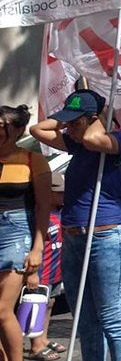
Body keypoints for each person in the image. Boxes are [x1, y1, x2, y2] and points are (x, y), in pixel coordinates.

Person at [30, 89, 121, 361]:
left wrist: (94, 119)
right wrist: (66, 119)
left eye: (75, 122)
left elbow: (92, 137)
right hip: (75, 239)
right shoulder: (77, 144)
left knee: (111, 318)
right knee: (85, 318)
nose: (69, 129)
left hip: (107, 238)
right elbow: (37, 129)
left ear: (93, 119)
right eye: (67, 123)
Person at [0, 105, 50, 361]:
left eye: (2, 126)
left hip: (16, 232)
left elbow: (43, 207)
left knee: (2, 310)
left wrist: (37, 249)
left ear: (18, 130)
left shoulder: (32, 160)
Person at [29, 172, 64, 361]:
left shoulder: (61, 213)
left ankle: (43, 338)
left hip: (55, 270)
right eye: (59, 192)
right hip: (41, 272)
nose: (63, 196)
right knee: (37, 306)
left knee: (49, 304)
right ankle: (35, 345)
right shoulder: (38, 216)